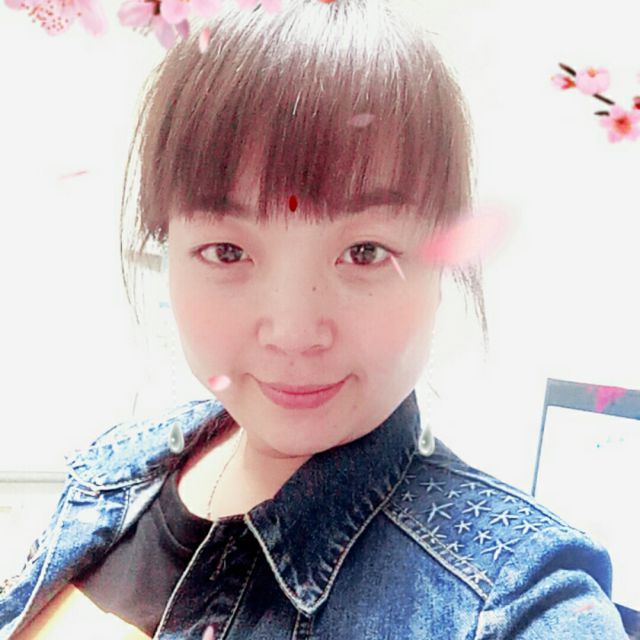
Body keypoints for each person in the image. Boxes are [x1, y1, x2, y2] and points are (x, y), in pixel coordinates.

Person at [0, 0, 630, 638]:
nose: (293, 334)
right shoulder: (113, 471)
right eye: (228, 251)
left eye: (366, 252)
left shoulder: (516, 602)